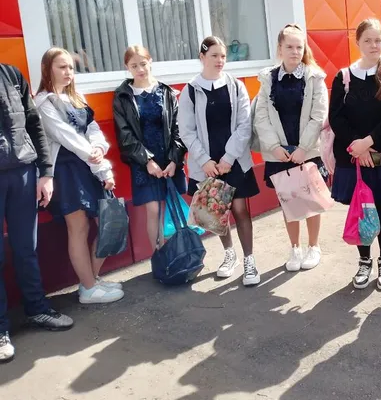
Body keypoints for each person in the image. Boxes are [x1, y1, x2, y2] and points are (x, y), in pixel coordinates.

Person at [34, 48, 124, 305]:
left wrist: (99, 147)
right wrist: (99, 162)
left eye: (71, 68)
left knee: (102, 223)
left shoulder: (76, 97)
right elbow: (67, 137)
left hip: (87, 166)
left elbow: (92, 128)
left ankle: (90, 281)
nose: (68, 73)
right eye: (62, 67)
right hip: (65, 170)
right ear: (47, 69)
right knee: (78, 227)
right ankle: (88, 288)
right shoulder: (44, 103)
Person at [0, 63, 74, 363]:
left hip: (22, 171)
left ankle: (37, 310)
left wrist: (46, 172)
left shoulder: (11, 74)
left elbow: (33, 121)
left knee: (25, 249)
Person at [329, 18, 381, 290]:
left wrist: (368, 142)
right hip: (353, 157)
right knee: (361, 208)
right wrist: (358, 146)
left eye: (378, 40)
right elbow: (336, 117)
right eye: (367, 40)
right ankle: (364, 262)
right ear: (358, 43)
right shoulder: (344, 76)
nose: (374, 45)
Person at [178, 36, 261, 285]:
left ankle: (249, 261)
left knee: (239, 209)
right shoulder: (190, 91)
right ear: (202, 57)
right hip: (207, 165)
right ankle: (229, 255)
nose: (219, 60)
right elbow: (186, 131)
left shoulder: (236, 86)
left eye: (223, 56)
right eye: (214, 55)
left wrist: (228, 158)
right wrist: (205, 161)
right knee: (217, 212)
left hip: (233, 161)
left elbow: (245, 125)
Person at [254, 24, 329, 272]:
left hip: (306, 151)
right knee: (288, 201)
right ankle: (295, 248)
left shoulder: (314, 77)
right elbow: (261, 116)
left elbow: (318, 116)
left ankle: (314, 246)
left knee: (311, 200)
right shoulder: (268, 79)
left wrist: (303, 148)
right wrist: (274, 147)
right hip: (280, 153)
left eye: (299, 47)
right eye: (289, 47)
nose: (295, 51)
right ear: (280, 48)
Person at [113, 45, 187, 251]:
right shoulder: (122, 96)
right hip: (143, 163)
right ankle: (160, 255)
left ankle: (180, 254)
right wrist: (147, 161)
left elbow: (178, 129)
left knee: (172, 208)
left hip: (168, 160)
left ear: (150, 62)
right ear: (127, 67)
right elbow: (124, 135)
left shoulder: (166, 92)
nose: (140, 69)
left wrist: (174, 160)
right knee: (153, 210)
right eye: (134, 66)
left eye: (143, 64)